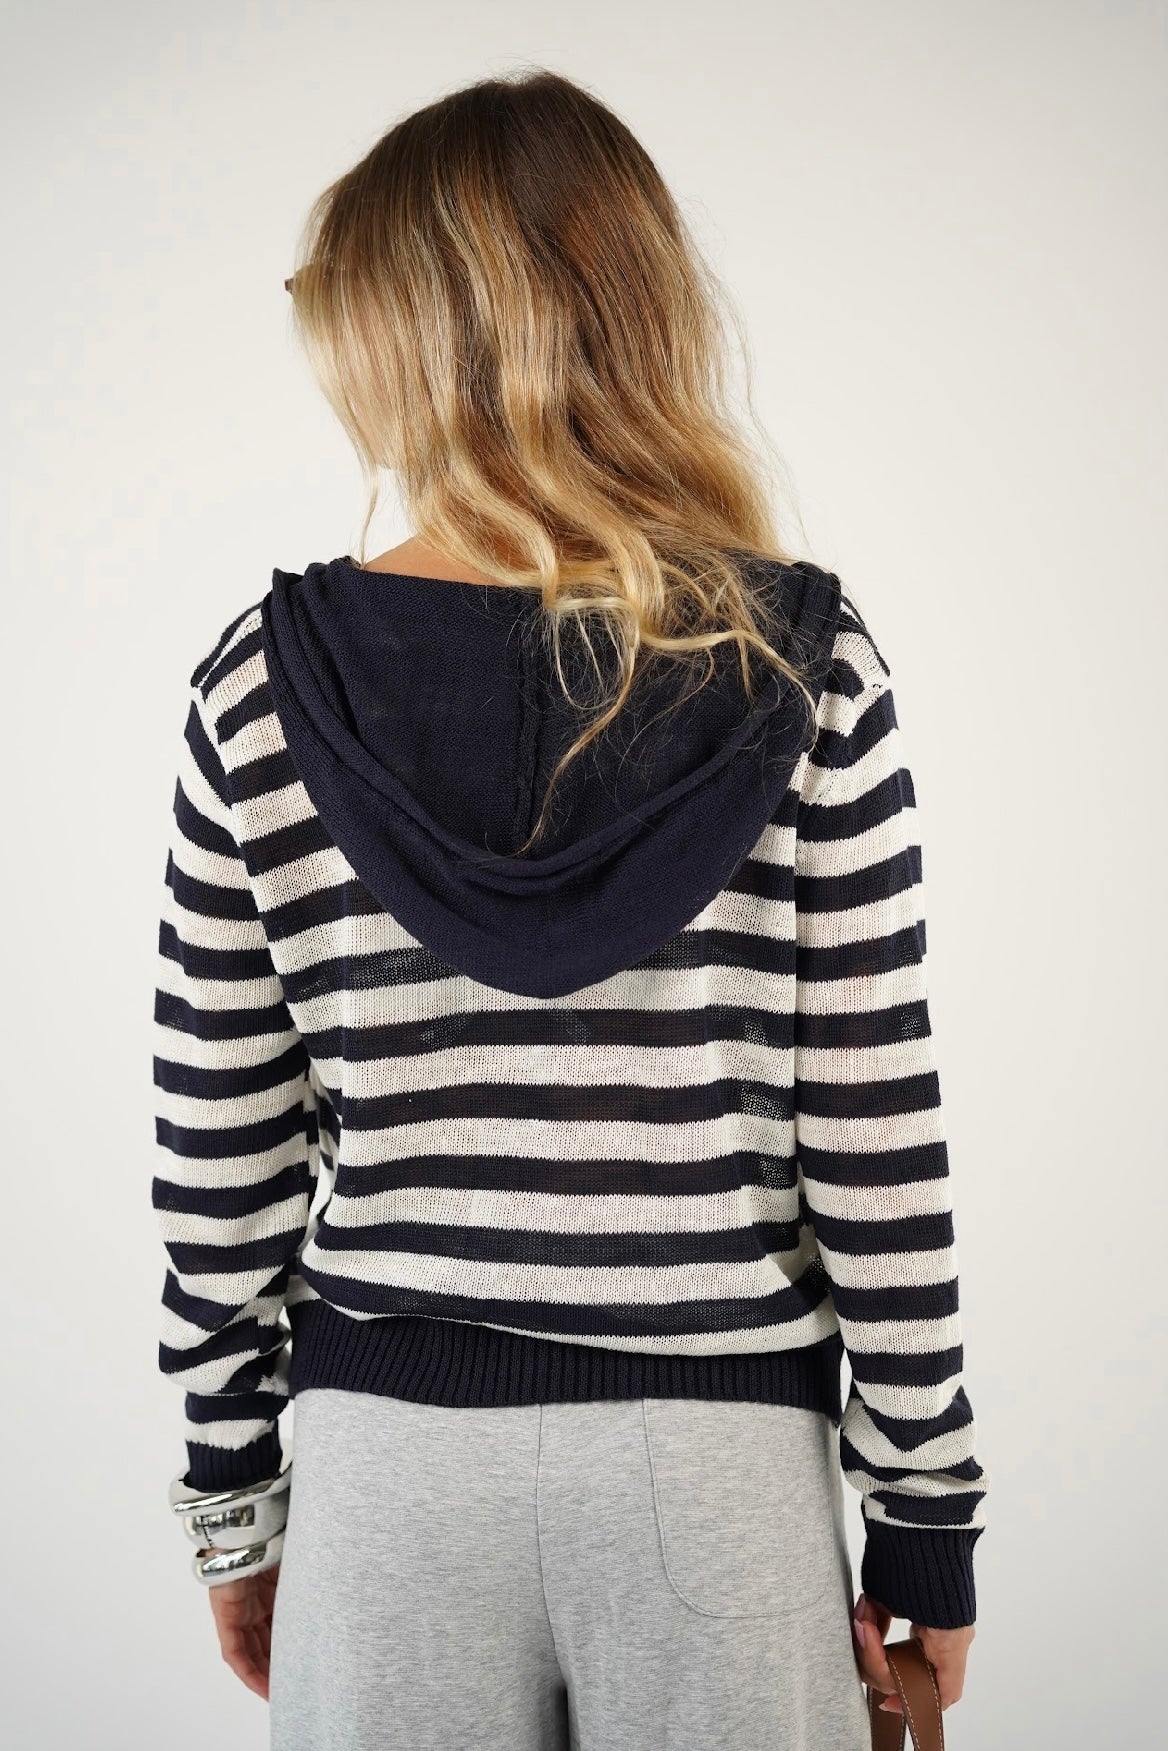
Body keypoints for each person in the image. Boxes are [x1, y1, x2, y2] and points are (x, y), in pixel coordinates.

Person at [152, 67, 986, 1751]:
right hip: (717, 1471)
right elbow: (874, 1140)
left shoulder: (265, 685)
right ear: (639, 314)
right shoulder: (799, 666)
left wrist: (232, 1500)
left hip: (388, 1473)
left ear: (394, 338)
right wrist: (925, 1518)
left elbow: (221, 1146)